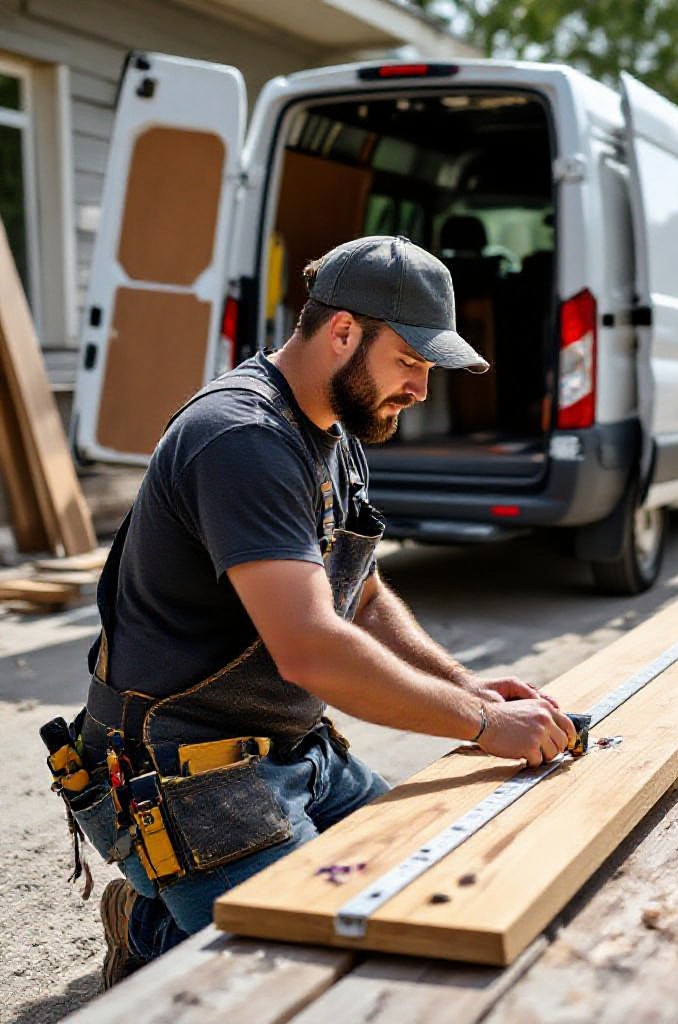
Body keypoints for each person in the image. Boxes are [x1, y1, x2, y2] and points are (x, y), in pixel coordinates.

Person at [54, 236, 577, 987]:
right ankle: (150, 926)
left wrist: (469, 687)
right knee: (309, 966)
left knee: (421, 888)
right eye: (410, 362)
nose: (420, 389)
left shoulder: (334, 426)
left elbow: (359, 595)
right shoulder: (241, 439)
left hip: (293, 749)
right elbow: (310, 648)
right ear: (342, 332)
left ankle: (189, 911)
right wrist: (485, 725)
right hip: (185, 773)